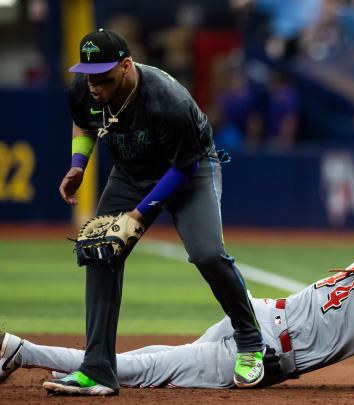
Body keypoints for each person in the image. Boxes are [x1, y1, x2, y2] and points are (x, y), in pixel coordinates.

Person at [0, 220, 354, 393]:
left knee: (159, 357)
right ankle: (18, 351)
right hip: (255, 353)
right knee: (137, 371)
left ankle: (23, 351)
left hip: (248, 318)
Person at [54, 29, 264, 395]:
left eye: (103, 77)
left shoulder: (167, 100)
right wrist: (78, 164)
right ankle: (97, 368)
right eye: (89, 76)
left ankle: (250, 342)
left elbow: (183, 168)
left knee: (207, 254)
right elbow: (85, 123)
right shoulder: (85, 88)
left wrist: (137, 216)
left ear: (126, 65)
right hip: (131, 172)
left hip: (190, 169)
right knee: (102, 253)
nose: (94, 86)